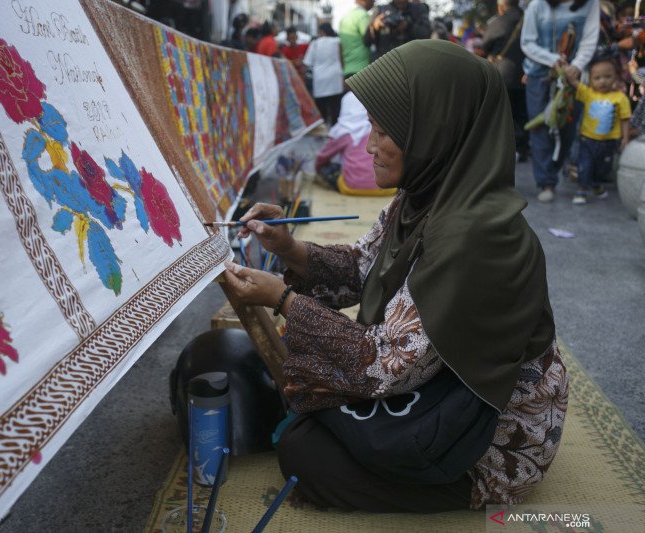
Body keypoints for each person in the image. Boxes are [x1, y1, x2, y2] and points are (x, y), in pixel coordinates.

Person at [223, 40, 566, 511]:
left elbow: (387, 364)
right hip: (435, 381)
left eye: (386, 132)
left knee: (304, 451)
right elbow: (365, 266)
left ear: (435, 132)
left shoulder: (477, 239)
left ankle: (465, 487)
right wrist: (289, 247)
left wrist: (285, 300)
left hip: (489, 433)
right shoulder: (426, 194)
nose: (369, 146)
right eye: (372, 127)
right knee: (305, 397)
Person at [521, 0, 600, 203]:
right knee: (539, 125)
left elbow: (589, 39)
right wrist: (553, 60)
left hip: (572, 79)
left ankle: (553, 169)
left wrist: (576, 65)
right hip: (539, 75)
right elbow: (527, 42)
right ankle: (546, 181)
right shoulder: (537, 5)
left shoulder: (590, 4)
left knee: (567, 127)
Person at [565, 55, 631, 204]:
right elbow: (574, 82)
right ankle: (582, 189)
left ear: (616, 77)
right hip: (587, 139)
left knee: (603, 169)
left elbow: (625, 119)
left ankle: (595, 185)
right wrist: (565, 69)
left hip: (609, 142)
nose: (602, 81)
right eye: (597, 77)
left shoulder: (620, 98)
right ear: (591, 79)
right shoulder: (588, 94)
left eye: (608, 76)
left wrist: (625, 138)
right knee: (585, 165)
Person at [315, 91, 393, 195]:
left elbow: (322, 157)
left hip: (350, 187)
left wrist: (317, 168)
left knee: (328, 167)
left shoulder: (343, 130)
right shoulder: (378, 128)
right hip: (386, 188)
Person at [482, 0, 529, 161]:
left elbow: (485, 44)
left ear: (501, 6)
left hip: (503, 73)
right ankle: (523, 148)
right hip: (527, 73)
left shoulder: (498, 21)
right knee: (523, 113)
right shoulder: (528, 18)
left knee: (505, 114)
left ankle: (509, 148)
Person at [303, 23, 344, 126]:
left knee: (322, 108)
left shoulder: (315, 43)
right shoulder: (337, 41)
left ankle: (323, 128)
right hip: (335, 78)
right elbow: (342, 59)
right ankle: (336, 130)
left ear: (321, 32)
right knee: (335, 108)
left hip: (320, 80)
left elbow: (307, 63)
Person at [364, 0, 431, 61]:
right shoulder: (380, 10)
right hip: (386, 62)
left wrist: (408, 26)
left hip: (412, 60)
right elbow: (367, 41)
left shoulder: (418, 9)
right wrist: (374, 27)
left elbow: (426, 34)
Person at [339, 0, 374, 78]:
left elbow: (340, 46)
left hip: (348, 69)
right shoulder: (363, 15)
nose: (373, 3)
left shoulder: (345, 17)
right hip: (363, 68)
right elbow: (368, 40)